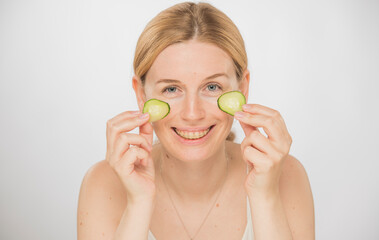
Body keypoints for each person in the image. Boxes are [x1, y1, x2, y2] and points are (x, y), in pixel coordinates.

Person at [77, 2, 315, 240]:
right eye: (171, 89)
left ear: (242, 88)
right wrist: (139, 202)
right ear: (141, 95)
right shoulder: (103, 184)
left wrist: (265, 195)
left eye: (212, 87)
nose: (192, 114)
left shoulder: (287, 175)